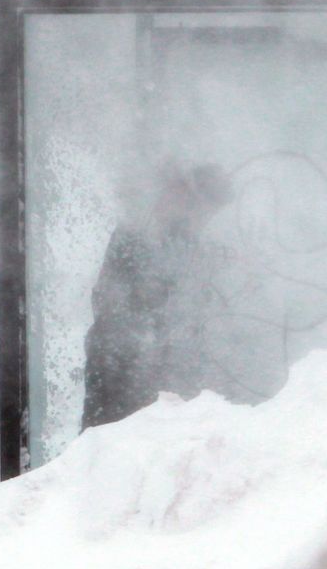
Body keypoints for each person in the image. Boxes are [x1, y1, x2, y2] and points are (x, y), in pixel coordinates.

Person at [82, 163, 234, 430]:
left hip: (167, 380)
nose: (202, 217)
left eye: (209, 212)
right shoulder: (135, 236)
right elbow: (111, 303)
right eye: (199, 207)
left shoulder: (196, 248)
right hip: (122, 374)